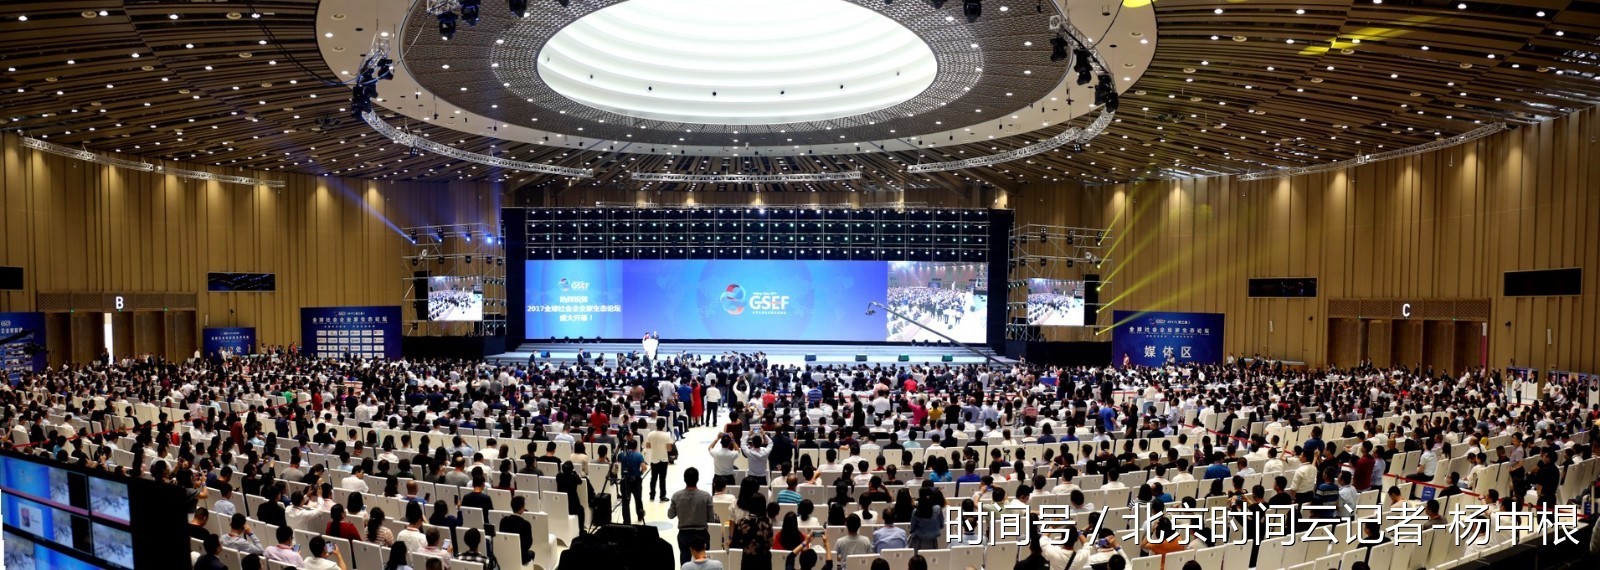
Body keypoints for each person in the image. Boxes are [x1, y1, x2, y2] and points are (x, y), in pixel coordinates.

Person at [669, 467, 719, 564]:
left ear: (684, 479)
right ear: (697, 479)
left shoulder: (676, 496)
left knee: (685, 561)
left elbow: (670, 515)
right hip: (702, 534)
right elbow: (711, 518)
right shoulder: (706, 496)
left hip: (684, 534)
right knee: (703, 562)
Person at [618, 438, 649, 524]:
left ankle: (627, 521)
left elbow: (617, 466)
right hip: (636, 480)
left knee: (625, 502)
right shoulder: (639, 455)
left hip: (625, 480)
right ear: (636, 446)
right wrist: (640, 472)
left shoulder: (621, 455)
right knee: (638, 499)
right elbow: (644, 467)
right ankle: (640, 515)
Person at [500, 495, 536, 567]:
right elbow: (528, 544)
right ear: (522, 508)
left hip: (506, 554)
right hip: (521, 557)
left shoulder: (503, 521)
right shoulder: (526, 524)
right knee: (531, 553)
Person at [646, 418, 676, 501]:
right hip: (663, 459)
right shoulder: (666, 435)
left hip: (654, 458)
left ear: (656, 424)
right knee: (662, 479)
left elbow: (648, 446)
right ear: (664, 425)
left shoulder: (650, 434)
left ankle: (652, 495)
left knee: (653, 478)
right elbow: (669, 449)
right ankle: (662, 496)